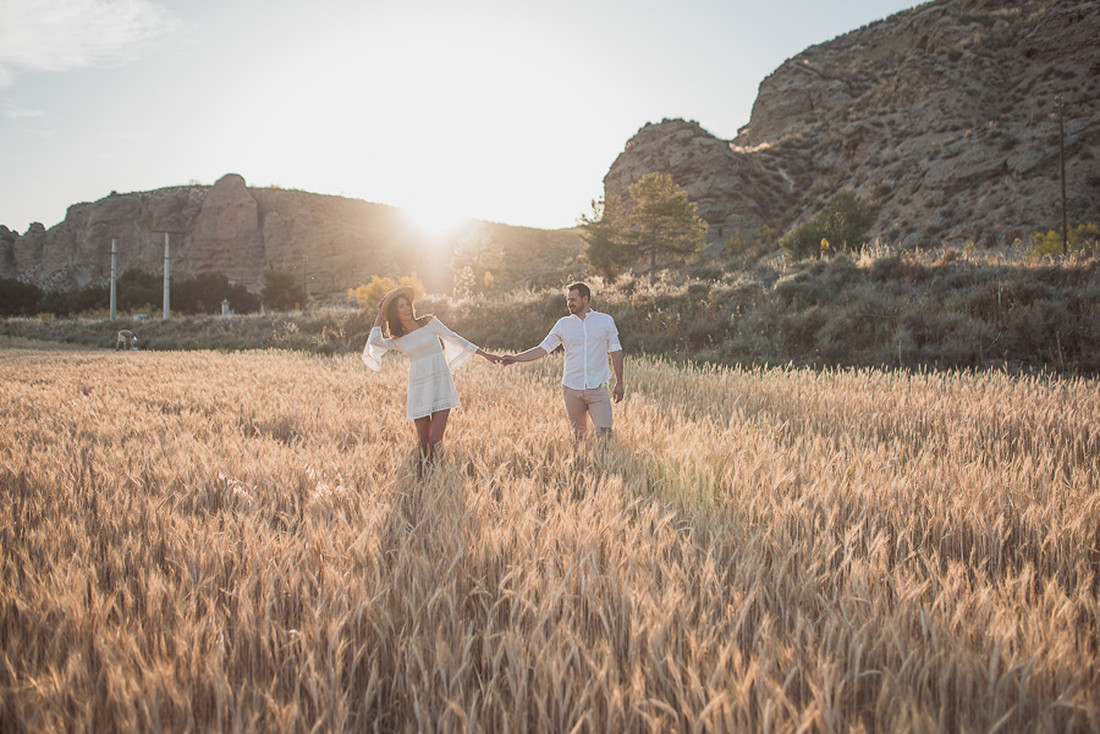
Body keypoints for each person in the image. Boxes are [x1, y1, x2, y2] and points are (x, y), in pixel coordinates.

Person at [362, 286, 500, 468]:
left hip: (440, 384)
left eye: (407, 304)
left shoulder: (428, 322)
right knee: (423, 441)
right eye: (401, 306)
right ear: (395, 313)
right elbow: (374, 343)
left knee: (435, 439)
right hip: (419, 388)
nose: (407, 308)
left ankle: (437, 473)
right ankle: (423, 476)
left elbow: (454, 337)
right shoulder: (398, 338)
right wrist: (380, 315)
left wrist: (484, 354)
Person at [502, 282, 624, 443]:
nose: (569, 303)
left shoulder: (605, 321)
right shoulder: (563, 324)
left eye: (573, 300)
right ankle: (580, 460)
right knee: (578, 436)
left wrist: (619, 382)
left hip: (598, 388)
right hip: (571, 389)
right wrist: (516, 358)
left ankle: (604, 460)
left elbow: (616, 351)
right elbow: (542, 349)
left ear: (585, 299)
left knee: (605, 435)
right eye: (568, 300)